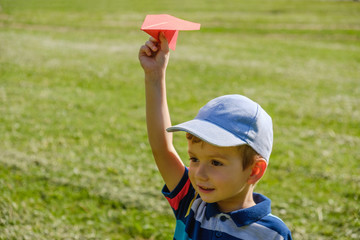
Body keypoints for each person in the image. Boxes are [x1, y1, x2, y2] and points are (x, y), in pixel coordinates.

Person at [138, 32, 292, 240]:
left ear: (254, 170)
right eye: (194, 159)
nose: (200, 173)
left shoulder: (272, 235)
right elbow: (162, 149)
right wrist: (154, 75)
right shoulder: (191, 202)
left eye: (216, 163)